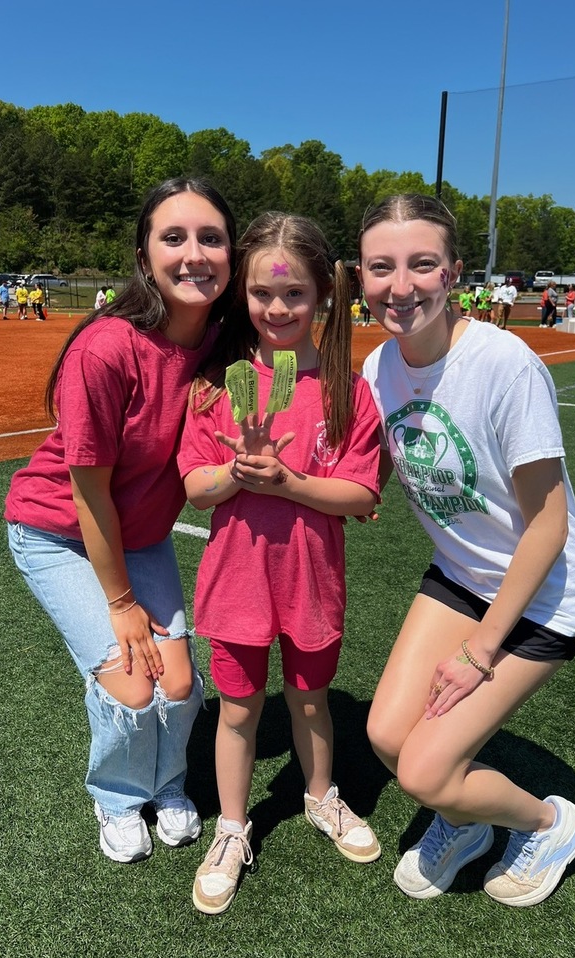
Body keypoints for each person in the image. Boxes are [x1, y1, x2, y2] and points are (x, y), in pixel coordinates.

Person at [357, 194, 575, 908]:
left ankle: (549, 824)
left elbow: (548, 528)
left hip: (544, 592)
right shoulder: (377, 370)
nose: (401, 286)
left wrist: (480, 651)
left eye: (422, 264)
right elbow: (359, 481)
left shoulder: (505, 366)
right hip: (463, 576)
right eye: (381, 267)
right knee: (387, 737)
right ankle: (467, 826)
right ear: (360, 278)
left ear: (454, 272)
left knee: (425, 775)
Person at [5, 178, 236, 863]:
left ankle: (165, 782)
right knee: (136, 687)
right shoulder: (107, 348)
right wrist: (122, 604)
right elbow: (88, 494)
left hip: (141, 536)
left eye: (211, 238)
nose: (194, 254)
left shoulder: (226, 348)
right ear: (144, 255)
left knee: (183, 684)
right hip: (59, 533)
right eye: (174, 238)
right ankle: (115, 794)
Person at [179, 212, 382, 915]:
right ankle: (233, 828)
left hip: (311, 586)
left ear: (324, 294)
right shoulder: (218, 384)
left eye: (294, 293)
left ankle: (322, 796)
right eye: (264, 295)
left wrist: (290, 483)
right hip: (237, 586)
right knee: (238, 709)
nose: (277, 308)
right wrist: (235, 470)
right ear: (243, 297)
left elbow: (360, 491)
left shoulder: (346, 390)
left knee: (309, 699)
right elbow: (194, 490)